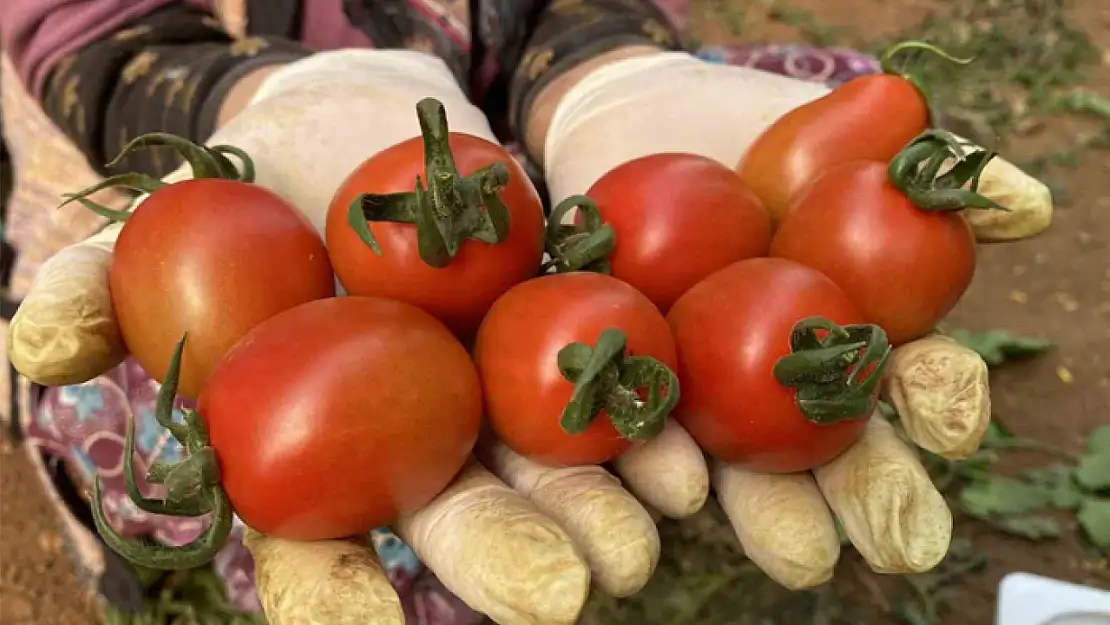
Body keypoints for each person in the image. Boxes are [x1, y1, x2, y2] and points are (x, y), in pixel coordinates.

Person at [1, 1, 1052, 624]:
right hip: (260, 115)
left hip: (525, 180)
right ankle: (106, 501)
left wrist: (602, 68)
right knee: (127, 367)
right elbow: (81, 23)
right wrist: (235, 97)